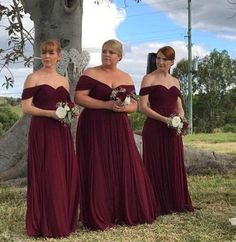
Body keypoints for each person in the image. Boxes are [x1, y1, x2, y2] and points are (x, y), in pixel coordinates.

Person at [74, 39, 159, 230]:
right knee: (97, 166)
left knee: (123, 164)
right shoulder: (91, 73)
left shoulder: (126, 77)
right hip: (93, 127)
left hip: (118, 127)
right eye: (104, 51)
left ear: (119, 56)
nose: (106, 55)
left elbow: (135, 105)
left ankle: (122, 210)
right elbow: (79, 97)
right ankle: (99, 212)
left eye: (111, 52)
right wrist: (106, 105)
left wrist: (124, 108)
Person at [21, 39, 79, 238]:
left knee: (62, 173)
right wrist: (50, 114)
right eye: (44, 52)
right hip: (43, 130)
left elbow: (67, 105)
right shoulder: (33, 78)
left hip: (61, 132)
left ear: (58, 56)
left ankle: (61, 218)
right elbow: (26, 107)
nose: (47, 56)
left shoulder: (64, 80)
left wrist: (73, 112)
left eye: (51, 53)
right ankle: (45, 222)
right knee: (47, 173)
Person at [139, 46, 194, 215]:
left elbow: (178, 104)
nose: (160, 62)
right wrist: (165, 120)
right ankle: (156, 204)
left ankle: (175, 201)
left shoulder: (176, 81)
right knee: (155, 164)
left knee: (173, 163)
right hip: (155, 127)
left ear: (172, 62)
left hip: (172, 130)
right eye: (158, 58)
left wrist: (182, 119)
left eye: (164, 59)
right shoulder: (148, 78)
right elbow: (142, 108)